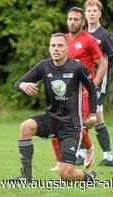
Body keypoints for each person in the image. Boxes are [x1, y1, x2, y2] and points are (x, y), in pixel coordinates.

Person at [14, 32, 97, 182]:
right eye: (53, 45)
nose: (56, 49)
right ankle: (26, 177)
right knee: (25, 127)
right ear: (49, 48)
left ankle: (87, 177)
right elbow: (18, 83)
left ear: (67, 49)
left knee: (65, 174)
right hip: (51, 119)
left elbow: (92, 89)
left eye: (60, 45)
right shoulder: (44, 66)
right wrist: (23, 85)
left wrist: (92, 114)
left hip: (71, 126)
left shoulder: (77, 68)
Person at [50, 6, 108, 171]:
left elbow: (102, 63)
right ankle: (60, 162)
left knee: (77, 125)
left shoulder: (89, 40)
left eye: (76, 19)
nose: (72, 22)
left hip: (82, 89)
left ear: (82, 22)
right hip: (64, 89)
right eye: (70, 19)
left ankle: (89, 149)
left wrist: (94, 83)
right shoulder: (63, 40)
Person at [84, 0, 113, 166]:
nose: (91, 13)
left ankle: (83, 153)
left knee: (89, 114)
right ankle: (108, 157)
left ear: (100, 14)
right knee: (96, 118)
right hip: (84, 81)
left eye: (94, 10)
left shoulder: (105, 36)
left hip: (99, 82)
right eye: (88, 10)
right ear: (85, 14)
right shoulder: (82, 34)